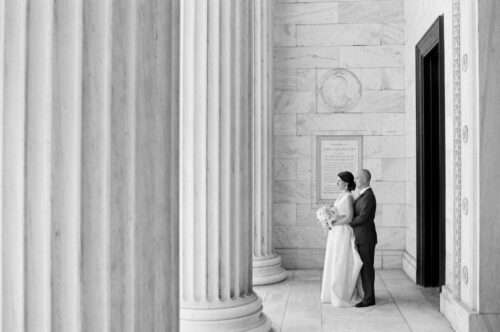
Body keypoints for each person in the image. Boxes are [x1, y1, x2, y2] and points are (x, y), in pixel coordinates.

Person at [320, 171, 363, 307]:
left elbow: (349, 217)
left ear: (346, 183)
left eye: (339, 181)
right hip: (336, 233)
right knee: (334, 259)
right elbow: (338, 213)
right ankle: (331, 293)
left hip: (343, 232)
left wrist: (333, 223)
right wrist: (328, 218)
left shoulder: (349, 197)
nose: (336, 183)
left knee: (341, 261)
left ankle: (342, 294)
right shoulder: (341, 195)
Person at [352, 169, 378, 308]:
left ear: (363, 180)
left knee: (367, 268)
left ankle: (369, 298)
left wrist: (347, 222)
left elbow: (363, 218)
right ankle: (367, 294)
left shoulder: (368, 196)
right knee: (364, 268)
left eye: (357, 178)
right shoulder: (363, 195)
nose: (355, 180)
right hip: (362, 237)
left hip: (366, 238)